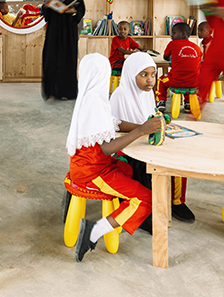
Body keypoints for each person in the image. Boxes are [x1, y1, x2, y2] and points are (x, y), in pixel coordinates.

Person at [69, 53, 163, 262]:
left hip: (88, 163)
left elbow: (114, 123)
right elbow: (106, 149)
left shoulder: (91, 98)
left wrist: (142, 127)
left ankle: (123, 211)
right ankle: (94, 231)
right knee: (145, 198)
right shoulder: (94, 104)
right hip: (93, 170)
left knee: (129, 170)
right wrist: (140, 132)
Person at [110, 52, 195, 223]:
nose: (150, 80)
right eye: (143, 75)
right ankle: (152, 206)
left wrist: (159, 120)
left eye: (153, 74)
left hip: (145, 140)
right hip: (128, 149)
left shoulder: (148, 92)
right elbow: (113, 125)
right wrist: (143, 128)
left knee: (178, 156)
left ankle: (176, 201)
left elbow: (148, 116)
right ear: (130, 74)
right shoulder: (120, 95)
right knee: (149, 169)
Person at [41, 0, 86, 100]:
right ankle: (52, 93)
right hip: (54, 31)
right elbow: (44, 12)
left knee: (67, 60)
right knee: (51, 60)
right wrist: (47, 6)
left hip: (68, 31)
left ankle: (66, 92)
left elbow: (81, 10)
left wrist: (72, 11)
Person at [156, 22, 201, 114]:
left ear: (183, 33)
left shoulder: (172, 44)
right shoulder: (196, 47)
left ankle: (161, 101)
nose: (171, 35)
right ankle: (188, 103)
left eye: (174, 33)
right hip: (195, 82)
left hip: (176, 80)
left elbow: (165, 57)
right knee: (188, 76)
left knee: (161, 80)